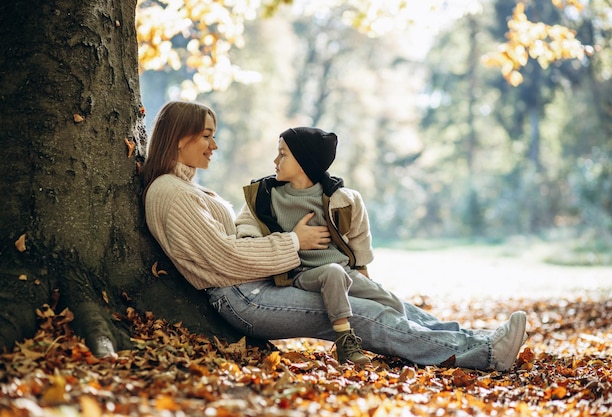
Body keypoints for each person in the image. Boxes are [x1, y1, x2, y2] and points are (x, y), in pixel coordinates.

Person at [141, 100, 528, 372]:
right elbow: (225, 260)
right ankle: (485, 356)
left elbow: (236, 244)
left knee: (383, 300)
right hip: (244, 297)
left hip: (257, 288)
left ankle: (476, 339)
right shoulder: (169, 194)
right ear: (180, 137)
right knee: (362, 314)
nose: (215, 145)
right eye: (207, 136)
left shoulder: (186, 189)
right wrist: (295, 242)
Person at [235, 127, 406, 366]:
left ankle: (400, 347)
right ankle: (345, 342)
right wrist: (278, 242)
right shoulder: (264, 195)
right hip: (302, 274)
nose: (275, 161)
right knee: (332, 272)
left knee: (393, 303)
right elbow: (246, 228)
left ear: (304, 162)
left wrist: (363, 274)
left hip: (345, 272)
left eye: (282, 154)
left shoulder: (342, 199)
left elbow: (358, 237)